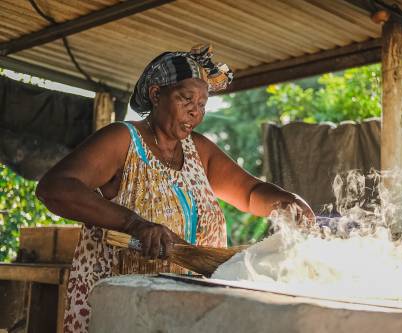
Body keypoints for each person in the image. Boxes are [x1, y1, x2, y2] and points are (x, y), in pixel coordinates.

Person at [36, 44, 314, 332]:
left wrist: (288, 204)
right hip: (125, 312)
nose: (196, 112)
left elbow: (249, 191)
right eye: (186, 99)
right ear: (157, 94)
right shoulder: (123, 140)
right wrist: (135, 224)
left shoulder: (199, 150)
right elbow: (55, 189)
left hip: (185, 314)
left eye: (203, 104)